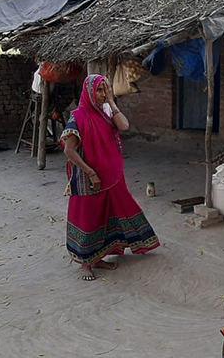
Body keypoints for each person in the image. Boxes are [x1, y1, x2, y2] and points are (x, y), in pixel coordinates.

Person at [61, 75, 160, 281]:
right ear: (88, 92)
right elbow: (70, 151)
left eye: (105, 90)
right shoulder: (77, 117)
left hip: (111, 176)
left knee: (106, 215)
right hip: (87, 179)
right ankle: (85, 264)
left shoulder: (106, 113)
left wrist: (112, 103)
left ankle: (98, 258)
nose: (102, 94)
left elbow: (124, 126)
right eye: (99, 90)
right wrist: (91, 173)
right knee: (88, 218)